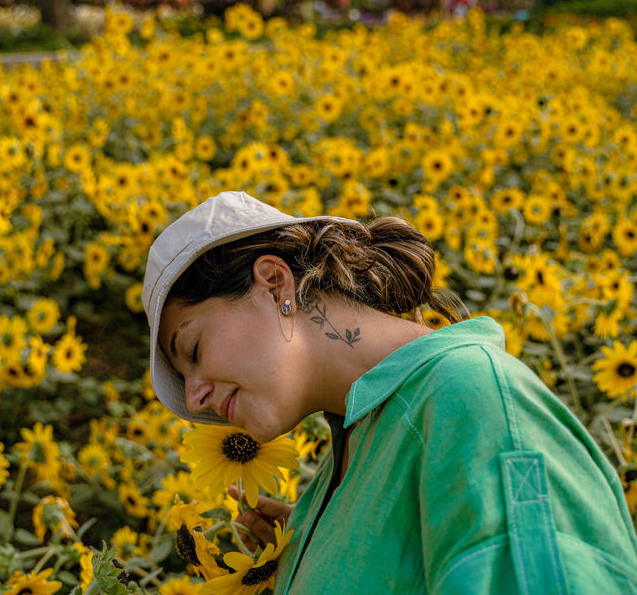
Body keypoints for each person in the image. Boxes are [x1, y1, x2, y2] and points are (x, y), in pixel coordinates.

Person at [142, 190, 637, 594]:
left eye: (195, 349)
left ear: (275, 284)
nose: (193, 399)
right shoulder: (340, 469)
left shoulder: (470, 398)